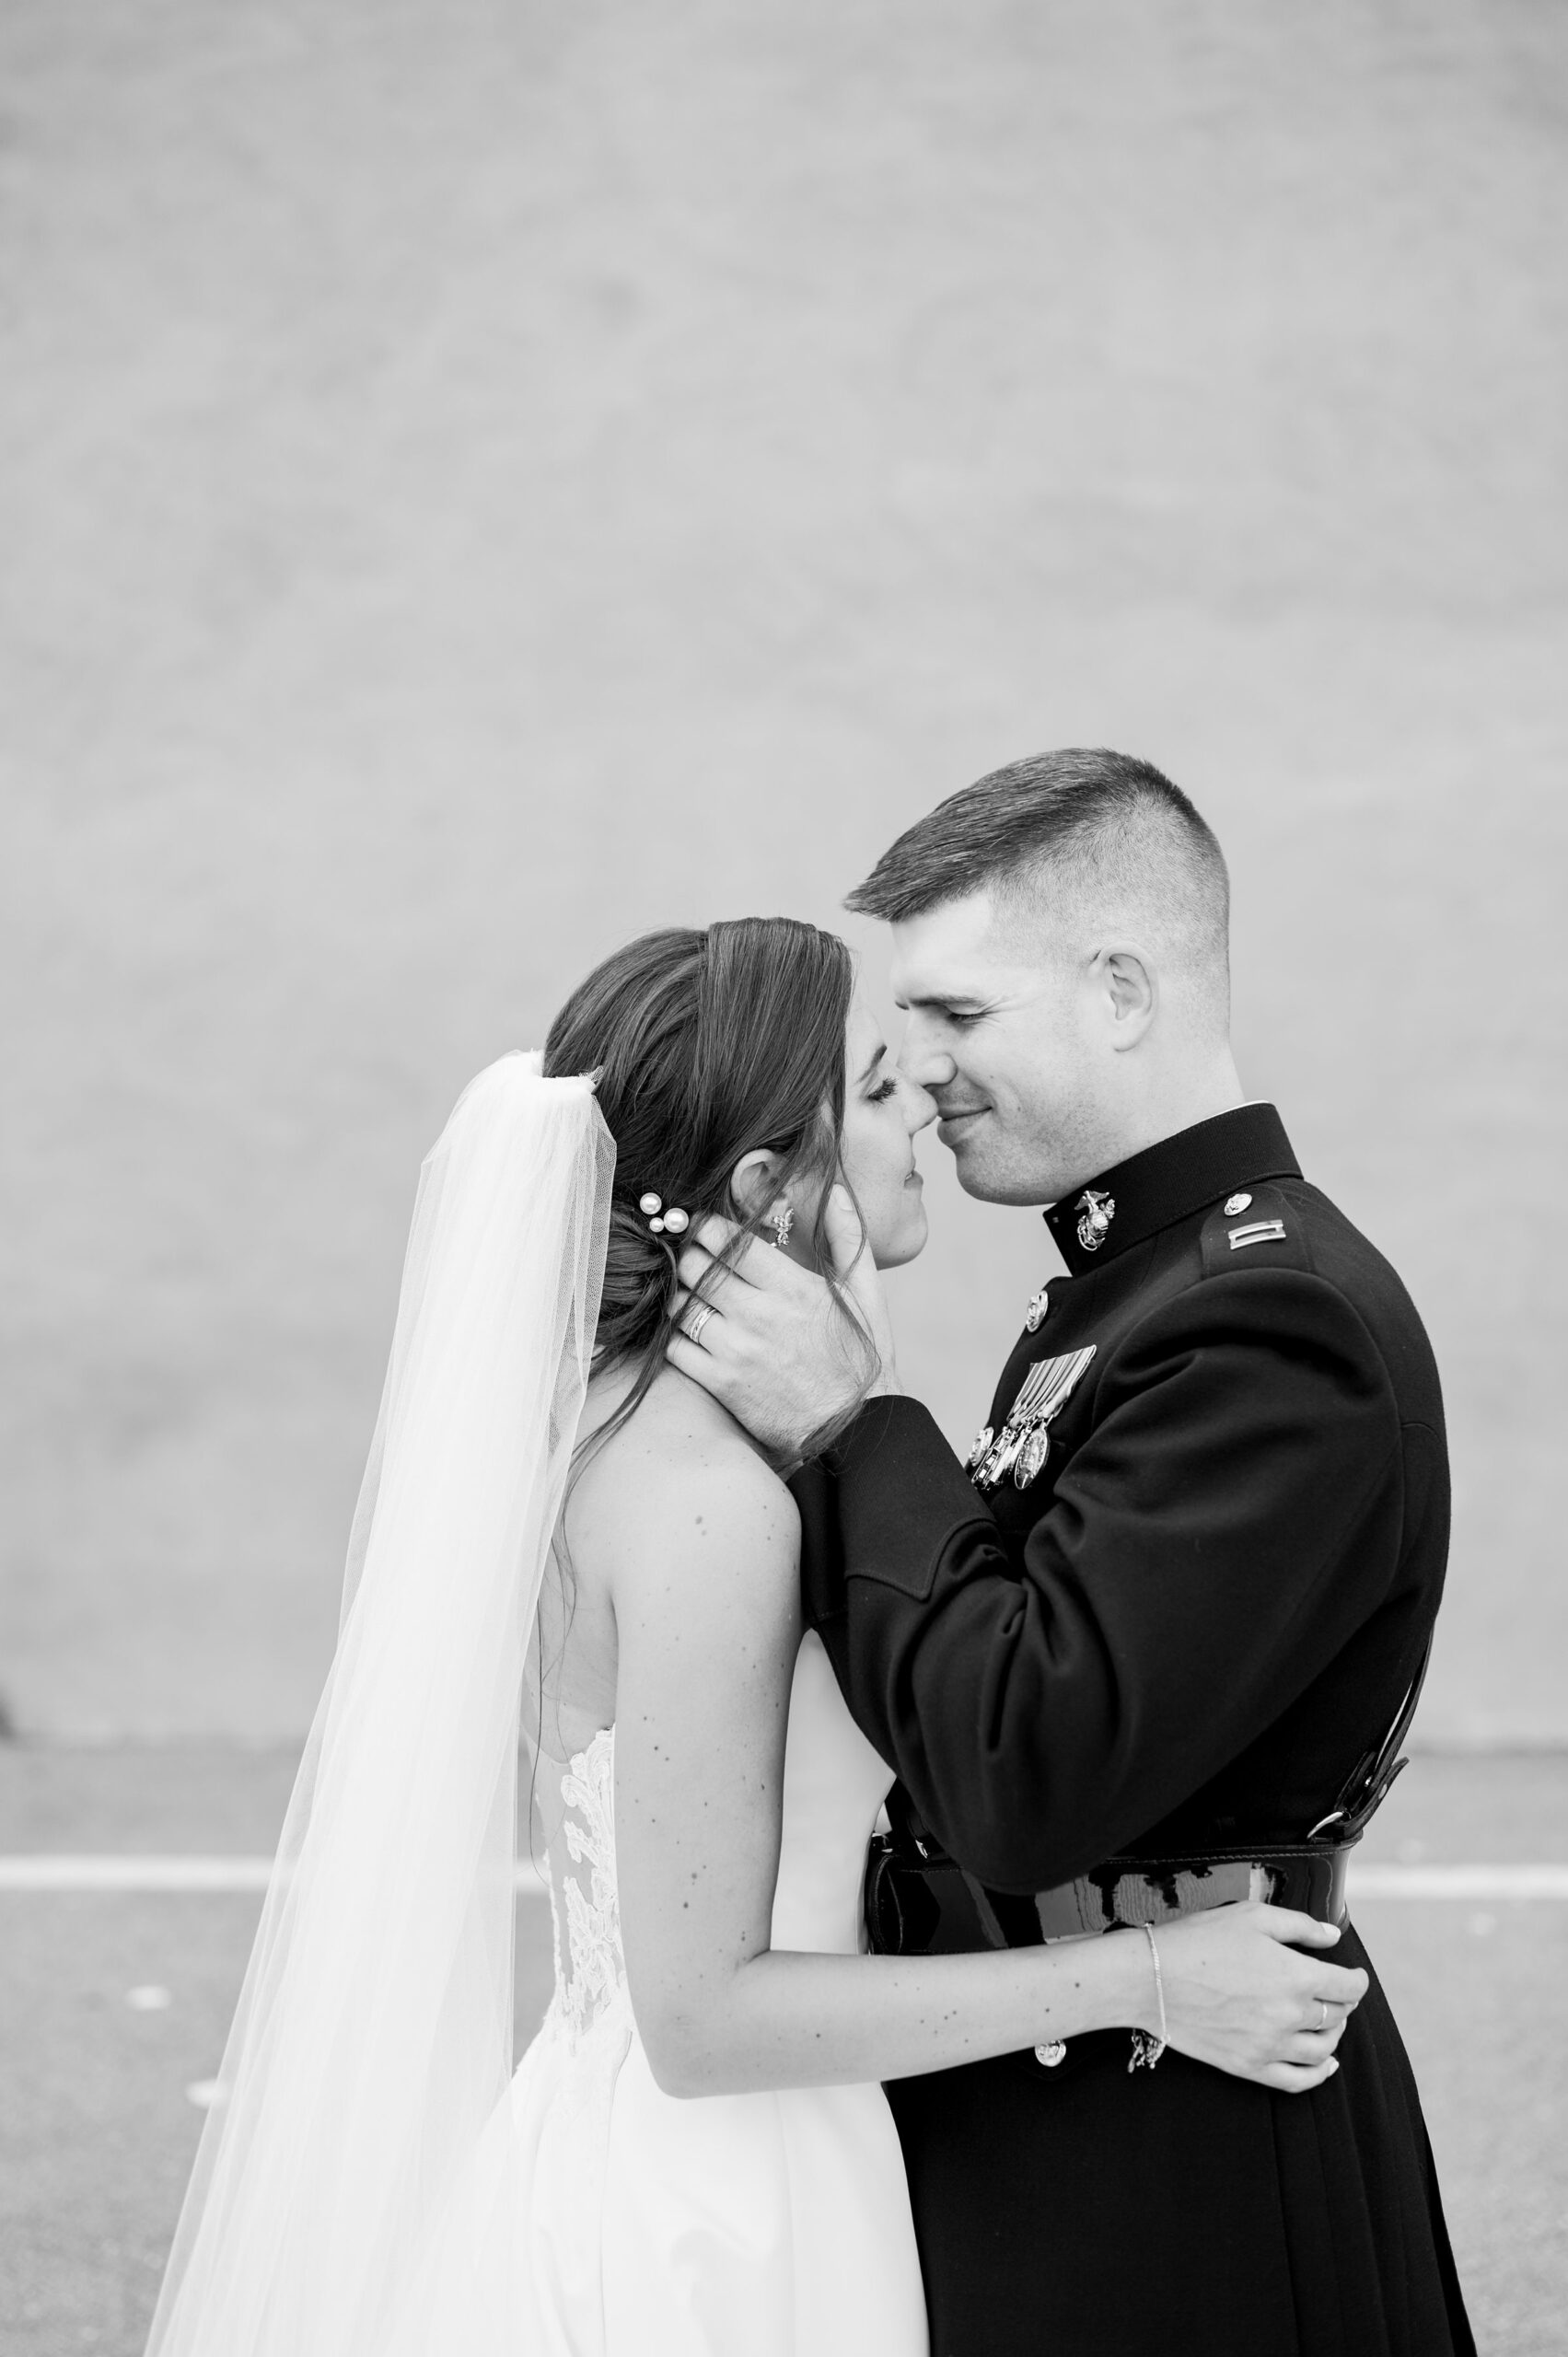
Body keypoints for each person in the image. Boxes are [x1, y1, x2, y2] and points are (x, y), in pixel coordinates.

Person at [144, 914, 1364, 2357]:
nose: (922, 1096)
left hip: (681, 2153)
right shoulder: (710, 1508)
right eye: (874, 1085)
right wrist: (1155, 1979)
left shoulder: (640, 1434)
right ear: (767, 1182)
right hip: (719, 2223)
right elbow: (704, 2019)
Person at [670, 757, 1477, 2357]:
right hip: (1072, 2094)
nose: (924, 1069)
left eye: (959, 1014)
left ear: (1120, 989)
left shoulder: (1270, 1318)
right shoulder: (1138, 1290)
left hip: (1184, 2154)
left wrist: (855, 1428)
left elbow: (1028, 1771)